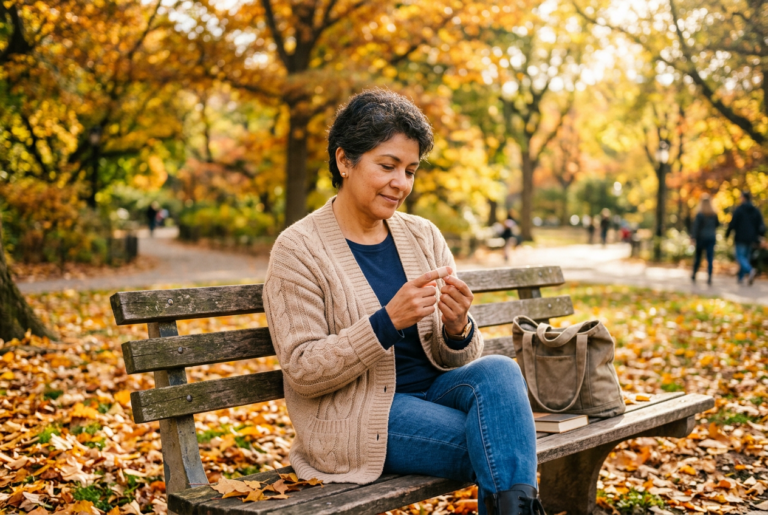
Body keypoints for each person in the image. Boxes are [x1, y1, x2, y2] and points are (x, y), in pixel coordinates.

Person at [263, 90, 542, 515]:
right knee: (499, 443)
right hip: (359, 416)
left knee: (500, 370)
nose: (401, 183)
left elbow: (460, 357)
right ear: (344, 161)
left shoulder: (423, 235)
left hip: (434, 392)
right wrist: (385, 323)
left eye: (410, 170)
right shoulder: (298, 248)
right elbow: (302, 368)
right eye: (388, 166)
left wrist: (457, 328)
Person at [725, 190, 765, 285]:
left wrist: (727, 234)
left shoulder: (739, 210)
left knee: (740, 257)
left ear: (744, 198)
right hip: (751, 238)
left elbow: (733, 223)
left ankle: (750, 270)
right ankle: (741, 277)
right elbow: (761, 225)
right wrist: (760, 236)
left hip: (741, 237)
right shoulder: (755, 210)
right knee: (745, 258)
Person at [690, 195, 719, 286]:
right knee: (710, 258)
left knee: (698, 257)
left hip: (701, 238)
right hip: (711, 237)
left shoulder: (700, 214)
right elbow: (718, 225)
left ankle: (694, 274)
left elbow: (696, 227)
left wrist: (693, 237)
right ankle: (709, 276)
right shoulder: (714, 214)